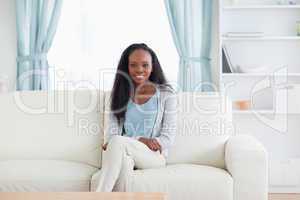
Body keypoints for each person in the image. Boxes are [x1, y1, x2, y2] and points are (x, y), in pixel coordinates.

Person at [96, 43, 177, 192]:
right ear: (126, 67)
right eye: (133, 65)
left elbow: (168, 138)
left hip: (153, 156)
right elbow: (111, 134)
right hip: (123, 152)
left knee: (118, 142)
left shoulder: (166, 94)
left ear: (153, 67)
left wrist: (145, 142)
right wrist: (139, 139)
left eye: (145, 65)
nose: (139, 69)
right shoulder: (118, 95)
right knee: (124, 163)